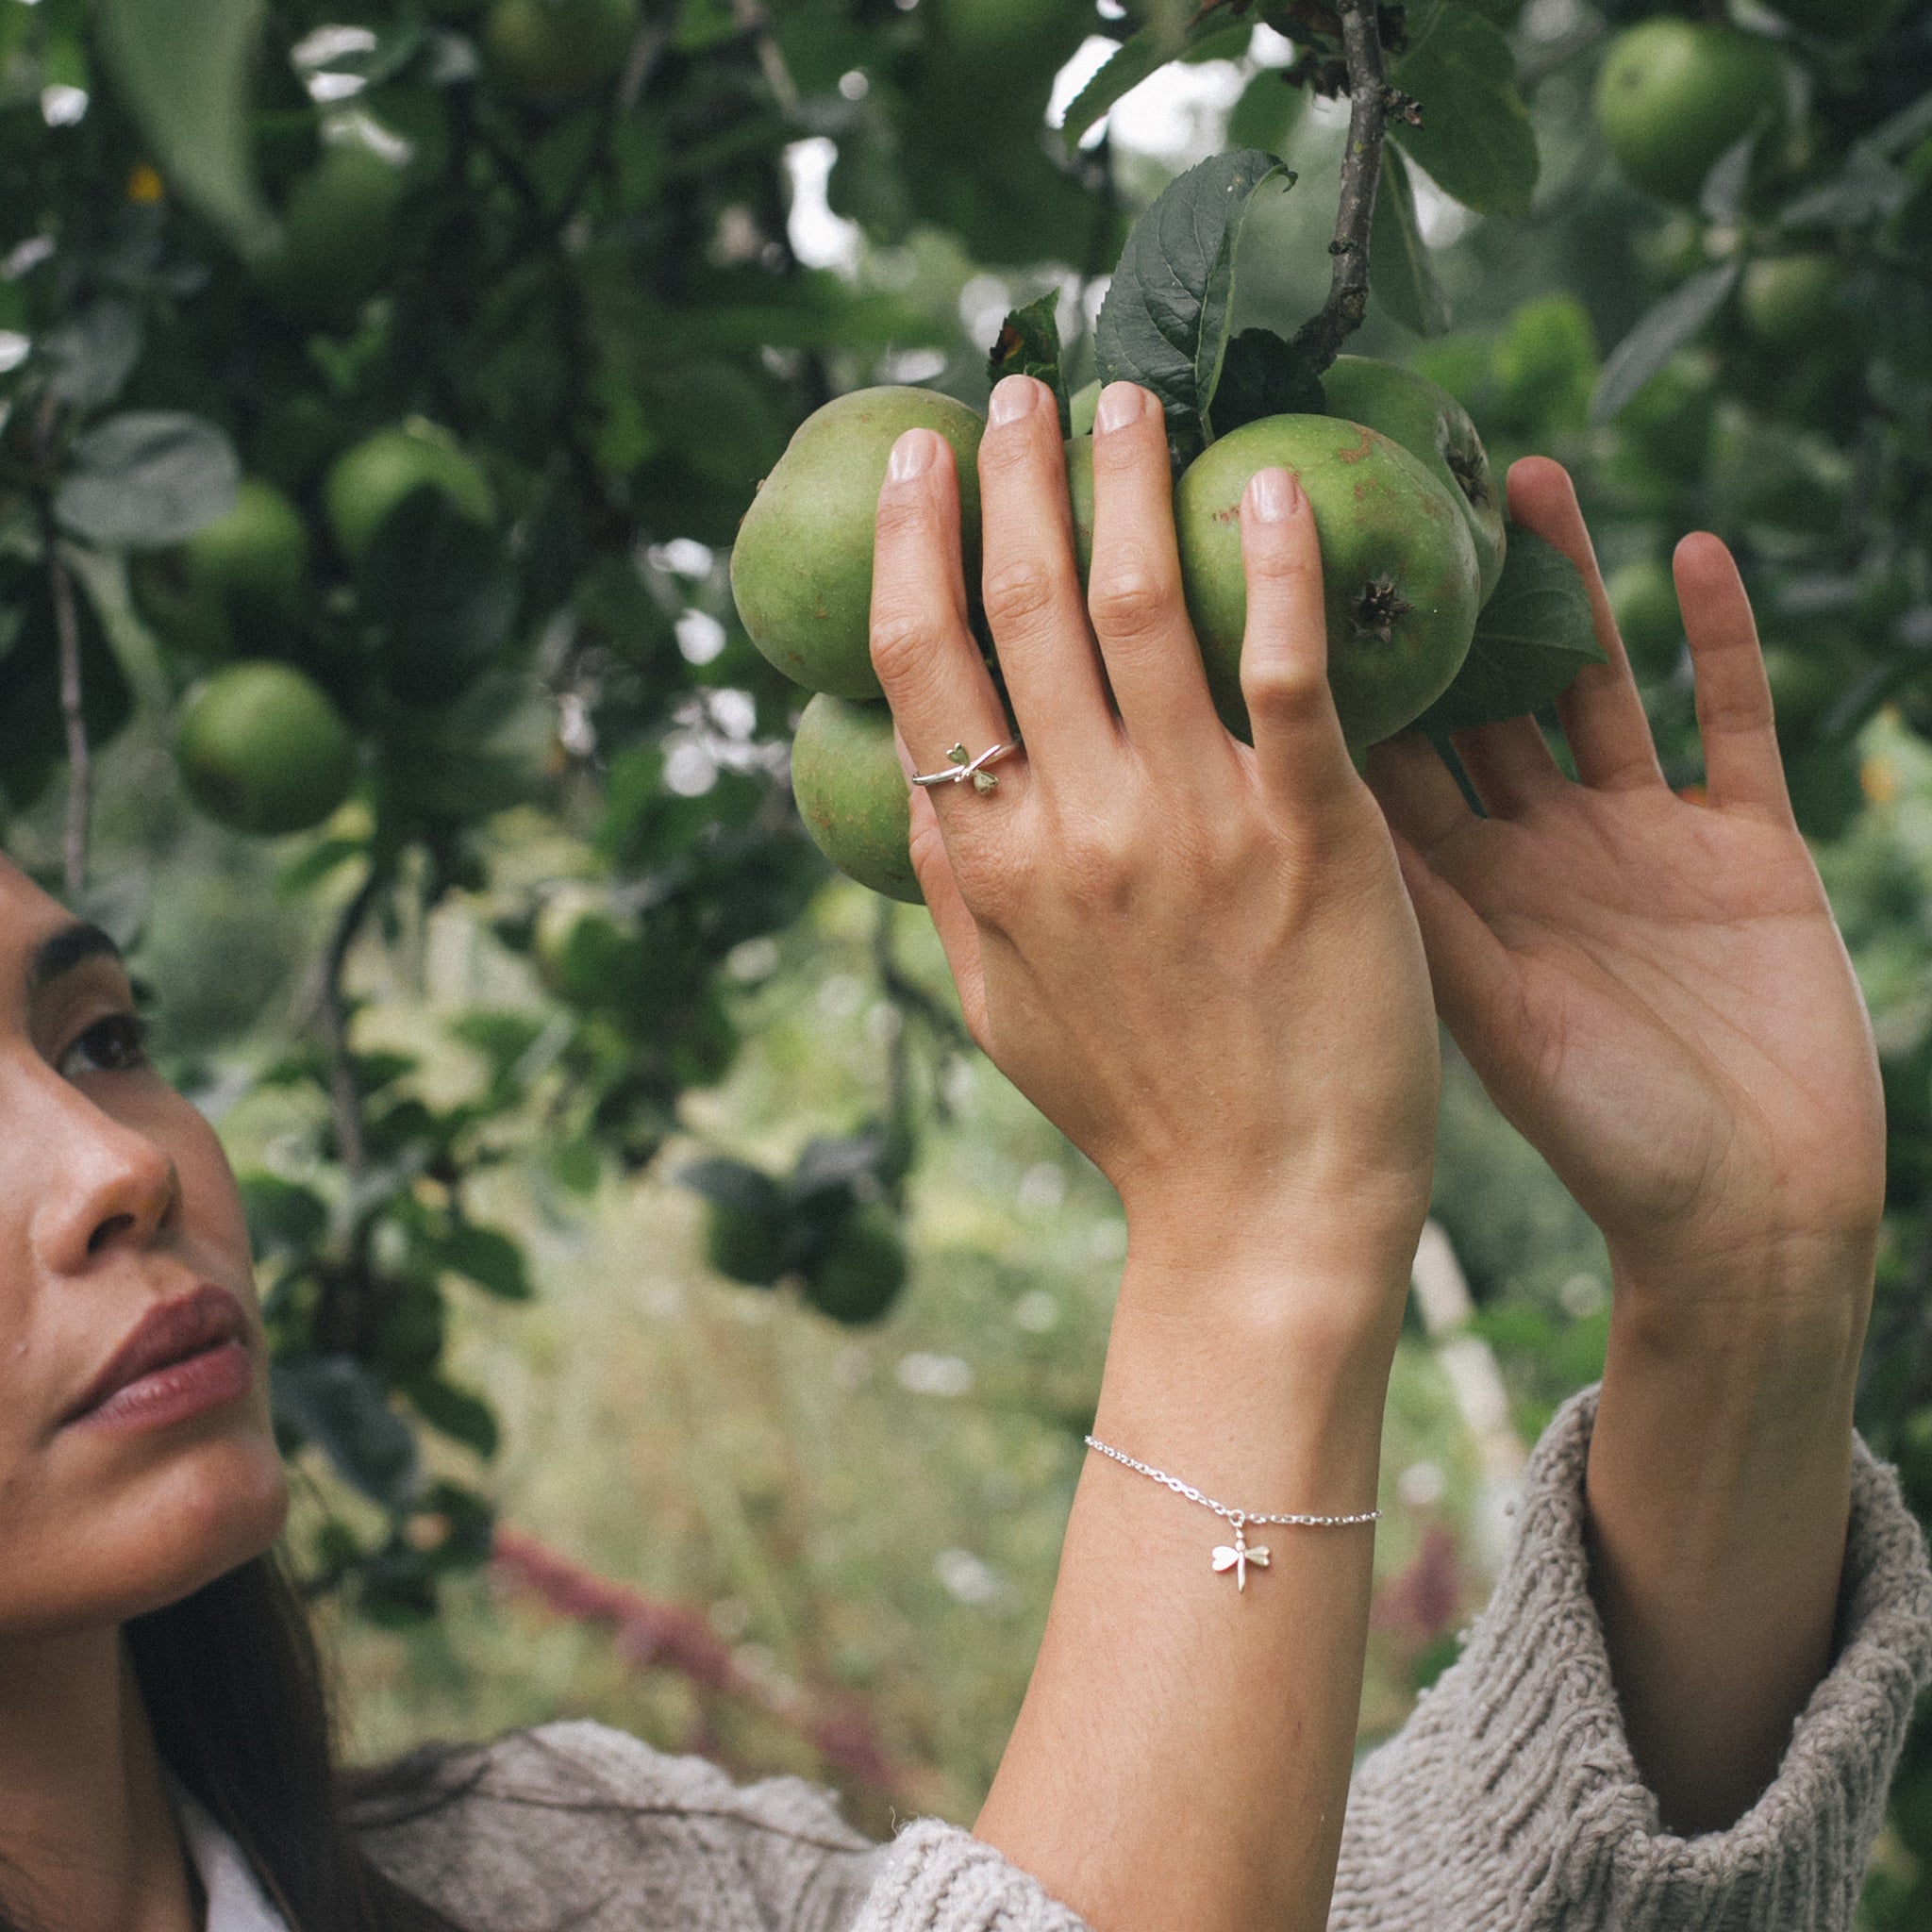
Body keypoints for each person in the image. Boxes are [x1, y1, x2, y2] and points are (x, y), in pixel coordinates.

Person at [0, 374, 1925, 1932]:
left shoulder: (567, 1879)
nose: (111, 1165)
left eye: (97, 1036)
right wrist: (1254, 1237)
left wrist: (1741, 1301)